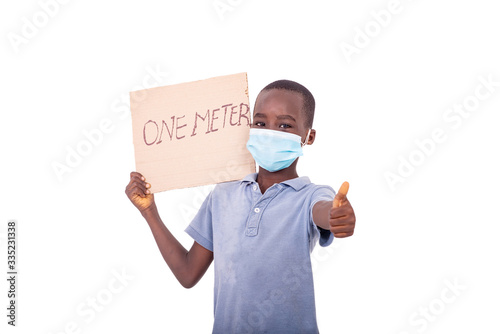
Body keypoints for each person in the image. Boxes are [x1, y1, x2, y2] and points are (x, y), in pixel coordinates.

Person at [125, 79, 356, 333]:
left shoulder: (310, 196)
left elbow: (323, 210)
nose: (270, 132)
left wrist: (336, 216)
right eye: (260, 123)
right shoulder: (223, 194)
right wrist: (149, 212)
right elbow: (188, 273)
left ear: (308, 136)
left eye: (285, 125)